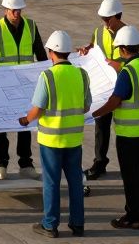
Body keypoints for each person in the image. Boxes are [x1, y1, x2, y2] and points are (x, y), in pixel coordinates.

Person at [17, 30, 90, 238]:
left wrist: (25, 119)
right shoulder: (81, 74)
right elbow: (86, 106)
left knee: (51, 182)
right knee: (75, 182)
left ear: (51, 53)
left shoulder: (47, 76)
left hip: (51, 140)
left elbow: (38, 109)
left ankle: (50, 225)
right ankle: (77, 224)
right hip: (74, 139)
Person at [90, 25, 139, 229]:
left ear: (123, 49)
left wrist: (93, 113)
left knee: (130, 175)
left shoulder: (127, 72)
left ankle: (132, 216)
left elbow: (115, 101)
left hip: (128, 132)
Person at [0, 0, 46, 180]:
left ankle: (25, 162)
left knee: (25, 123)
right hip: (4, 85)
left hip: (26, 85)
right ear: (5, 10)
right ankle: (0, 162)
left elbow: (41, 55)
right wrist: (1, 73)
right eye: (13, 10)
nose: (17, 14)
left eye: (19, 10)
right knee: (2, 123)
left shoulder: (32, 27)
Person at [77, 0, 125, 180]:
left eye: (108, 19)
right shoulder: (99, 31)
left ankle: (126, 162)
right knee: (101, 124)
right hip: (105, 88)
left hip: (123, 85)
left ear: (117, 17)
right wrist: (86, 49)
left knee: (123, 127)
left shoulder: (129, 33)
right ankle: (100, 162)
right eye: (102, 19)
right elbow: (93, 45)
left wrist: (117, 65)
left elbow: (133, 59)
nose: (105, 23)